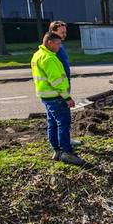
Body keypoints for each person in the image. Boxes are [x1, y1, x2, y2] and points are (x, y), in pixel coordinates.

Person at [31, 32, 85, 166]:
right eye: (58, 43)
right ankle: (67, 152)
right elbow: (57, 81)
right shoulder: (49, 58)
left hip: (46, 97)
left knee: (52, 123)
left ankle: (56, 150)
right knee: (63, 124)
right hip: (56, 97)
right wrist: (67, 97)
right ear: (49, 42)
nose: (60, 47)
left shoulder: (37, 55)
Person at [48, 21, 81, 148]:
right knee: (62, 118)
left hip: (64, 83)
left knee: (55, 118)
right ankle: (64, 144)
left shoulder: (59, 46)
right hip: (60, 86)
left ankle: (61, 141)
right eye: (62, 32)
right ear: (53, 32)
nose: (64, 34)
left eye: (65, 32)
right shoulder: (53, 48)